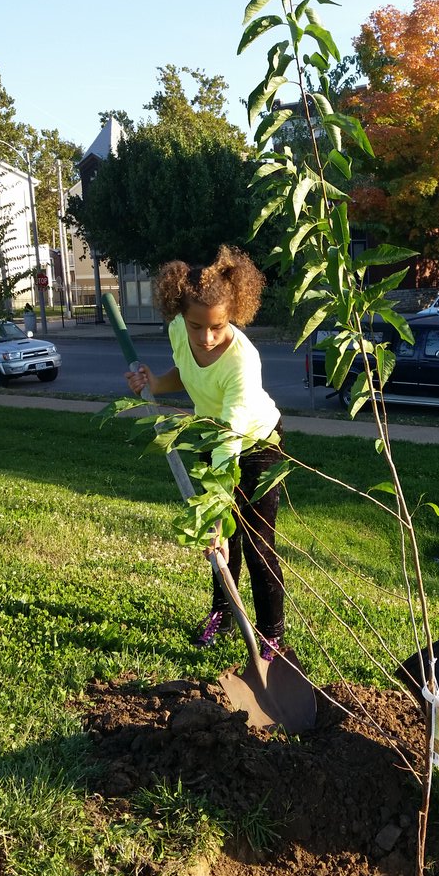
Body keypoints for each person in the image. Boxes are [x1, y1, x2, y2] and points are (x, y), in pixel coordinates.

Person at [125, 245, 285, 657]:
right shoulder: (181, 328)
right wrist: (155, 384)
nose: (207, 337)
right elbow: (188, 371)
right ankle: (224, 615)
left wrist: (215, 512)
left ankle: (272, 636)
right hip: (213, 437)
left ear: (233, 314)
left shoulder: (241, 364)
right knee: (220, 544)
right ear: (181, 313)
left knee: (256, 544)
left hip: (255, 444)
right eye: (197, 326)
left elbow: (232, 437)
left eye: (218, 326)